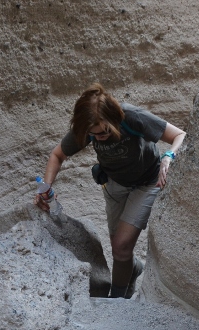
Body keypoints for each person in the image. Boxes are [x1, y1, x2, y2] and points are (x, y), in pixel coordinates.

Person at [34, 83, 186, 298]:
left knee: (121, 248)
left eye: (105, 132)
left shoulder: (132, 117)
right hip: (115, 184)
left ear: (113, 119)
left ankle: (116, 301)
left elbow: (179, 135)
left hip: (147, 182)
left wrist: (168, 157)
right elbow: (57, 155)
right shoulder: (87, 127)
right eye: (94, 135)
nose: (100, 137)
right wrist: (46, 187)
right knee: (119, 251)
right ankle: (132, 270)